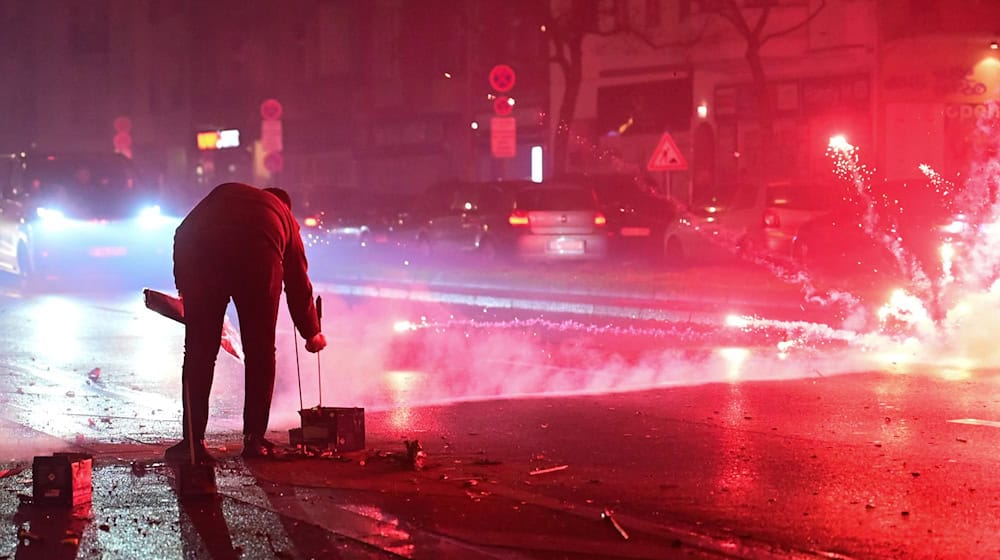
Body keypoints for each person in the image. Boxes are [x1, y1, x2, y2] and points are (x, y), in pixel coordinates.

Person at [165, 182, 326, 463]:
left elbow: (182, 233)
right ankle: (254, 441)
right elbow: (298, 282)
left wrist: (185, 287)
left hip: (201, 254)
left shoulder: (227, 194)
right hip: (257, 259)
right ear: (286, 206)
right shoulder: (284, 216)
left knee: (199, 353)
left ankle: (192, 442)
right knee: (260, 352)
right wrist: (312, 332)